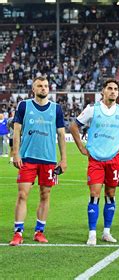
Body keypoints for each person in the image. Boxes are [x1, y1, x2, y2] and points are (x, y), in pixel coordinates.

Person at [70, 79, 119, 246]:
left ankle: (107, 232)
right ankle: (92, 234)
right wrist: (81, 147)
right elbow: (74, 126)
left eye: (115, 89)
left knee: (110, 195)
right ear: (103, 91)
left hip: (113, 160)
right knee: (94, 195)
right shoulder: (92, 110)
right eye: (109, 88)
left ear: (118, 92)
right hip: (95, 159)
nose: (113, 91)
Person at [9, 76, 67, 246]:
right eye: (40, 86)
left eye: (46, 86)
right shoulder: (24, 106)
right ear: (33, 89)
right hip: (27, 158)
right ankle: (18, 233)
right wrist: (15, 153)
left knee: (45, 195)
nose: (43, 88)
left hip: (49, 159)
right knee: (22, 194)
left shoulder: (56, 109)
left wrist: (63, 159)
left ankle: (39, 231)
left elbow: (61, 135)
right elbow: (17, 131)